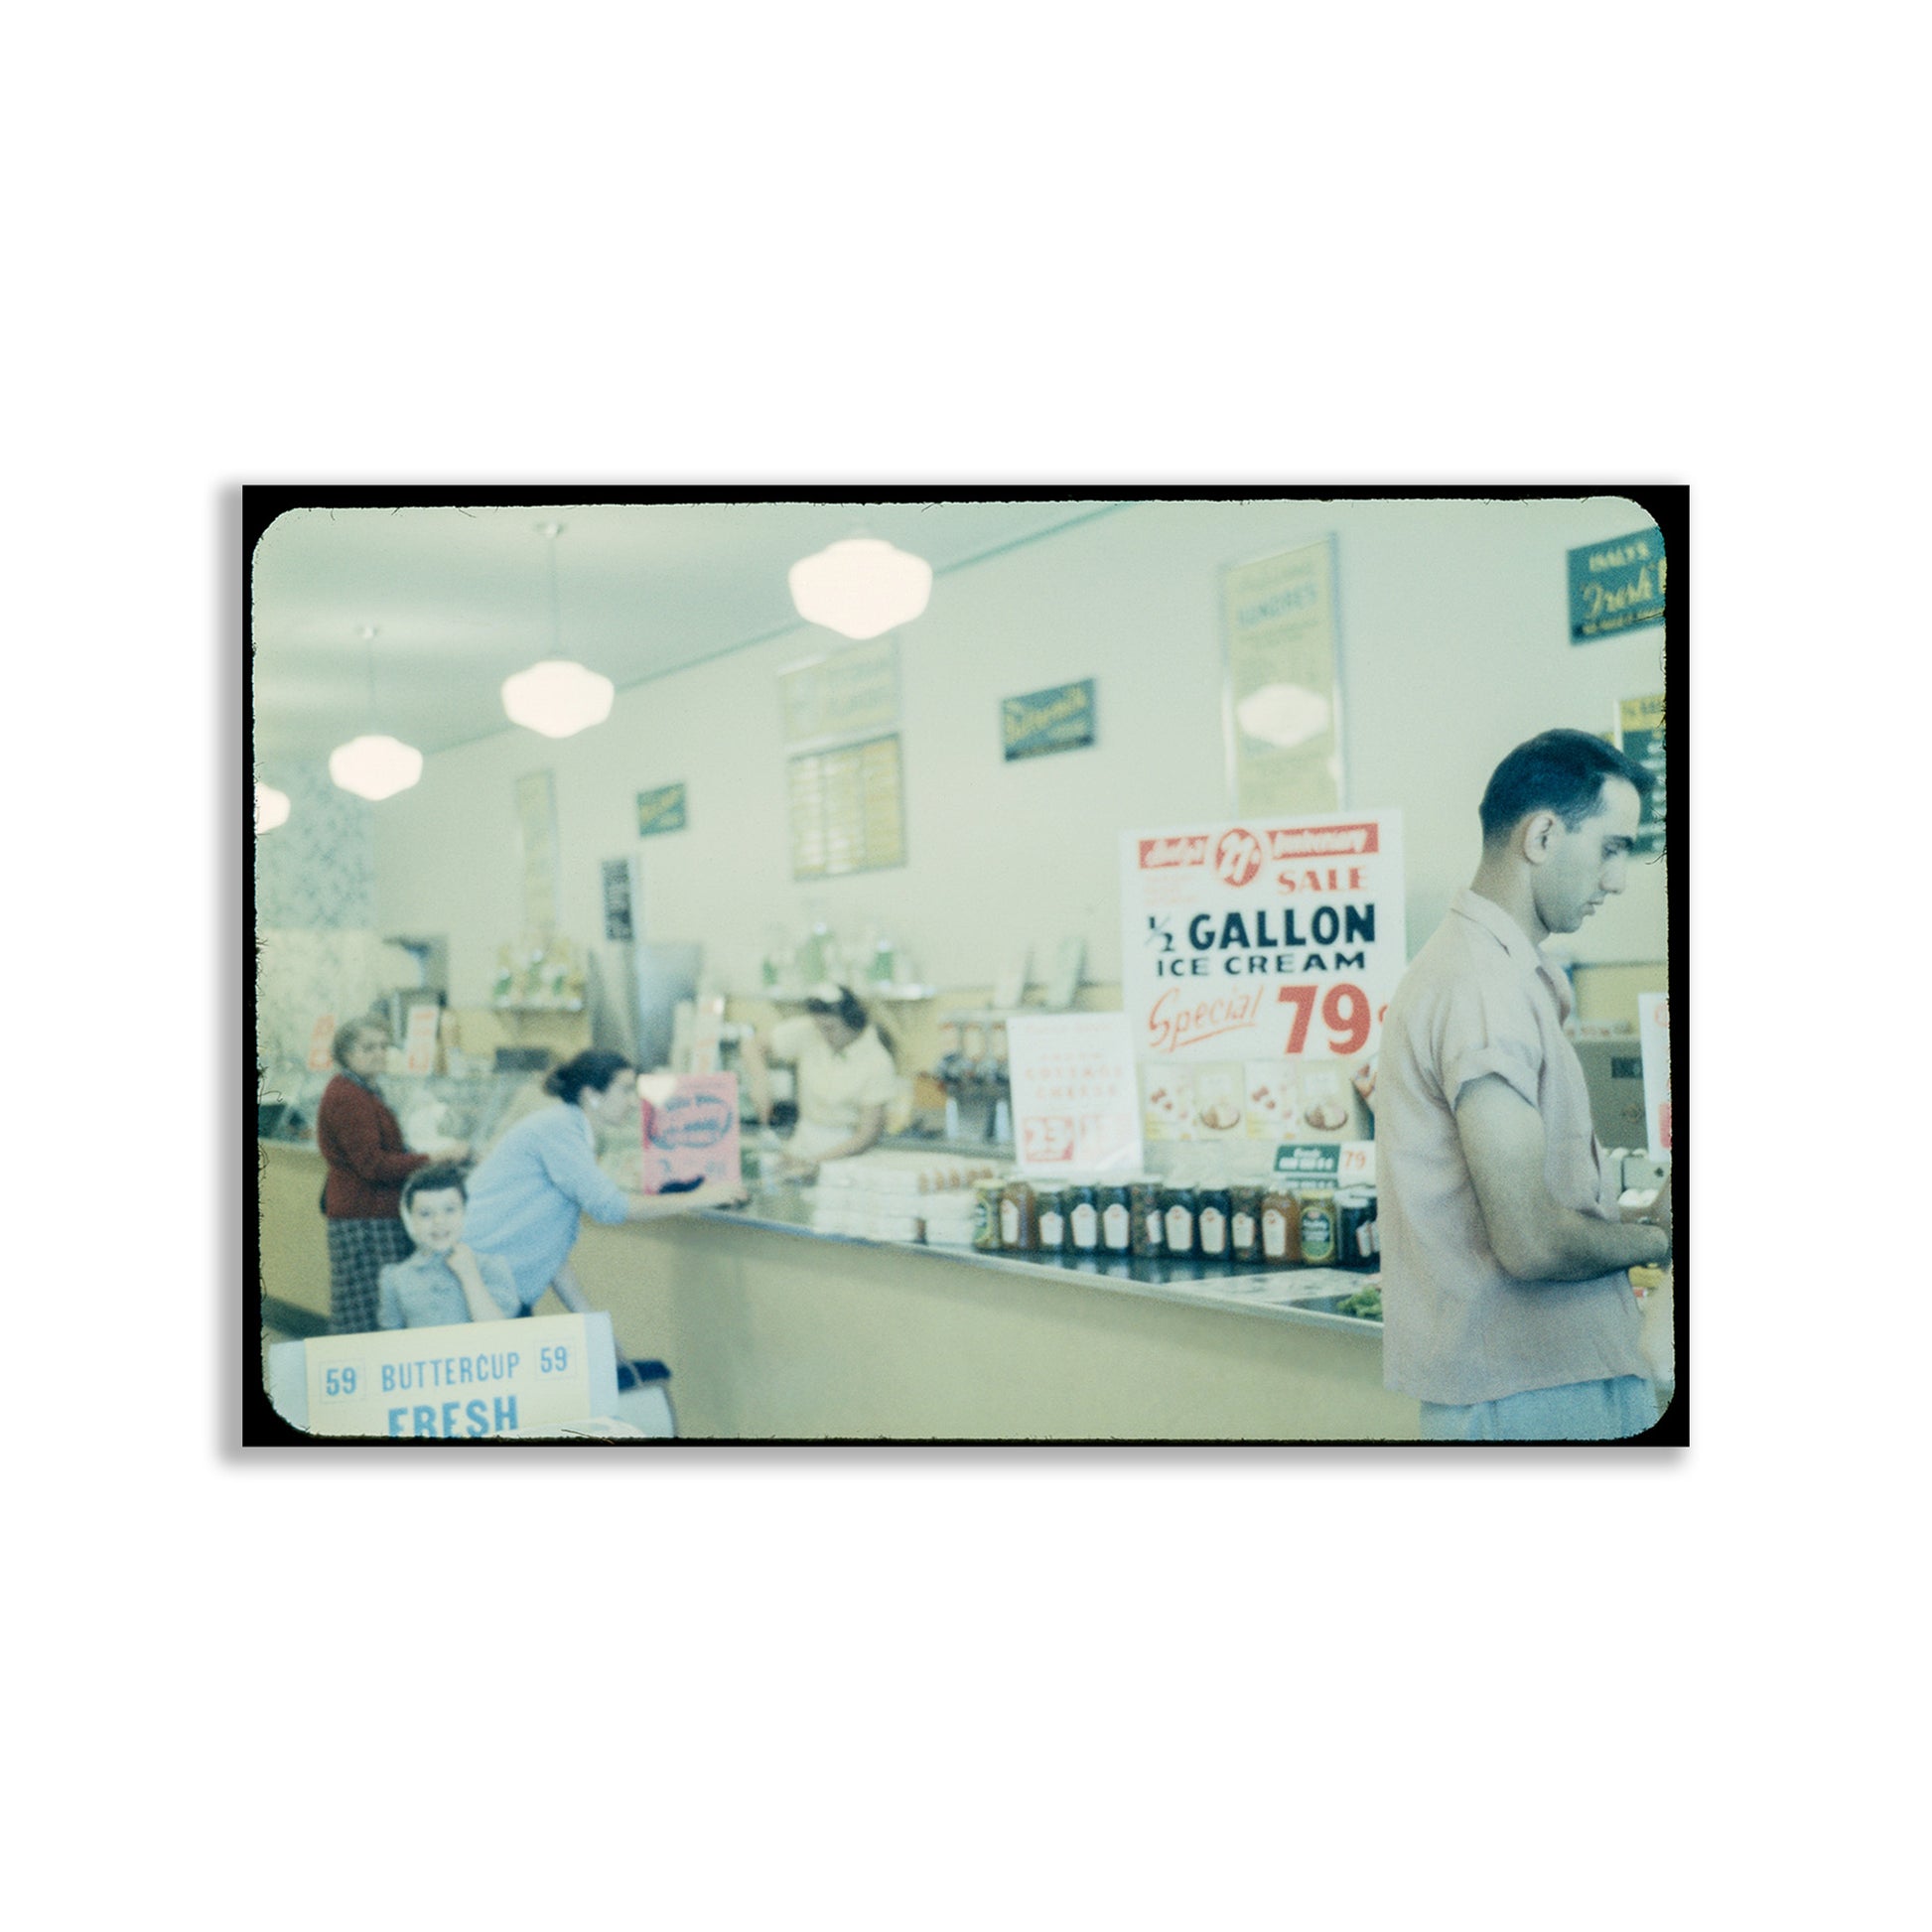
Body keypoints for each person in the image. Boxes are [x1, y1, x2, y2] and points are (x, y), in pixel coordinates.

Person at [1377, 729, 1673, 1442]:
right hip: (1529, 1397)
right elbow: (1531, 1243)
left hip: (1529, 1384)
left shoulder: (1494, 972)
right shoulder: (1483, 989)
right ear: (1541, 835)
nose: (1618, 879)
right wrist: (1658, 1239)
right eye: (1612, 847)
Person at [460, 1050, 746, 1318]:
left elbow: (551, 1254)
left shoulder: (569, 1129)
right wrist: (699, 1197)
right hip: (473, 1288)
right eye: (625, 1089)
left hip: (492, 1287)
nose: (634, 1101)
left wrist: (595, 1330)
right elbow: (612, 1207)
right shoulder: (560, 1130)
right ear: (591, 1095)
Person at [316, 1017, 471, 1334]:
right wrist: (434, 1157)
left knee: (370, 1308)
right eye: (368, 1047)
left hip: (367, 1213)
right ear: (345, 1053)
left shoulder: (362, 1089)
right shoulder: (349, 1096)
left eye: (384, 1046)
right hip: (365, 1220)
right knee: (366, 1312)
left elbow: (386, 1149)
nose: (379, 1053)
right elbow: (373, 1165)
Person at [738, 983, 899, 1180]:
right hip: (801, 1146)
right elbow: (752, 1046)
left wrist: (815, 1162)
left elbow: (867, 1135)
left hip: (845, 1156)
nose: (824, 1035)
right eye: (819, 1028)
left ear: (852, 1022)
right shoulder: (811, 1030)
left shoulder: (878, 1061)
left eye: (830, 1029)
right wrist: (760, 1082)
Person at [377, 1165, 519, 1328]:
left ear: (464, 1212)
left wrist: (470, 1276)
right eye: (425, 1213)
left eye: (449, 1210)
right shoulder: (395, 1278)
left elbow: (500, 1332)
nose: (439, 1221)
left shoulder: (491, 1266)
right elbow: (392, 1342)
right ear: (411, 1220)